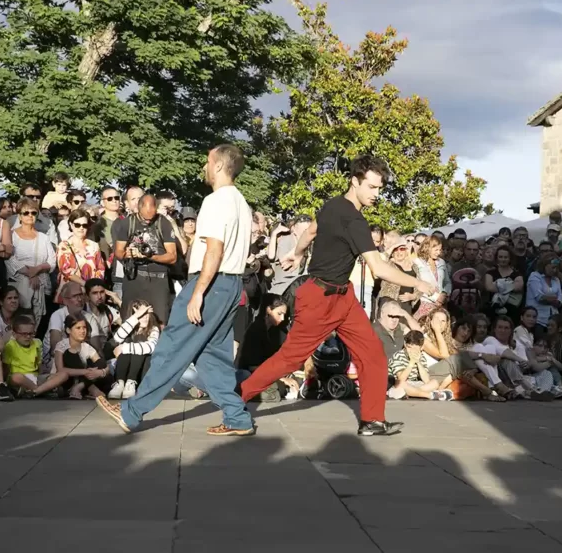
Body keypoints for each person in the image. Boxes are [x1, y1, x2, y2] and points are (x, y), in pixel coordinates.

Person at [239, 155, 436, 436]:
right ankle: (238, 398)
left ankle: (372, 421)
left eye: (379, 188)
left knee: (373, 355)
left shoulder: (331, 205)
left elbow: (310, 231)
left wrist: (297, 254)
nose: (376, 194)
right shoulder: (354, 220)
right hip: (318, 299)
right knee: (291, 360)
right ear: (354, 181)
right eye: (371, 187)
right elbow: (379, 268)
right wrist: (419, 284)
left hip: (344, 298)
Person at [96, 144, 256, 436]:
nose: (205, 167)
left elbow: (214, 250)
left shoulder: (216, 200)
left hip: (211, 282)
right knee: (212, 356)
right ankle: (237, 417)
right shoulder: (241, 203)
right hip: (231, 284)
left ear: (219, 165)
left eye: (208, 162)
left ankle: (131, 413)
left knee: (171, 346)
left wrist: (198, 293)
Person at [111, 194, 178, 324]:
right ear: (139, 208)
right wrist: (129, 253)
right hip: (134, 278)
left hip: (158, 278)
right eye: (144, 217)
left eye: (151, 217)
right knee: (130, 318)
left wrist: (151, 256)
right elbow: (118, 252)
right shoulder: (128, 223)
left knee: (160, 320)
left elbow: (172, 257)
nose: (148, 220)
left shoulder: (163, 223)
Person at [7, 197, 55, 321]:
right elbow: (9, 258)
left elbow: (52, 261)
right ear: (20, 216)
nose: (30, 215)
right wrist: (30, 274)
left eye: (33, 212)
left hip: (42, 284)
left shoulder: (44, 237)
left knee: (40, 320)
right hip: (19, 284)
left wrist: (37, 269)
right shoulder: (11, 235)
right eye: (26, 213)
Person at [4, 314, 69, 398]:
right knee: (16, 377)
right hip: (20, 377)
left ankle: (35, 391)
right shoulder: (10, 345)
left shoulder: (37, 343)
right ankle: (43, 390)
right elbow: (6, 367)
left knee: (63, 374)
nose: (28, 337)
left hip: (35, 377)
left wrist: (46, 378)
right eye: (24, 334)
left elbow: (39, 365)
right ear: (14, 334)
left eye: (31, 333)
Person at [107, 301, 160, 399]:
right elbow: (117, 338)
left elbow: (151, 347)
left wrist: (124, 347)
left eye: (146, 314)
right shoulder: (128, 329)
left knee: (137, 348)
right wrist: (135, 317)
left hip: (141, 371)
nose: (145, 317)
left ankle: (131, 383)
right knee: (128, 348)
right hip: (124, 370)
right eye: (141, 315)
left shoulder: (153, 329)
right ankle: (120, 383)